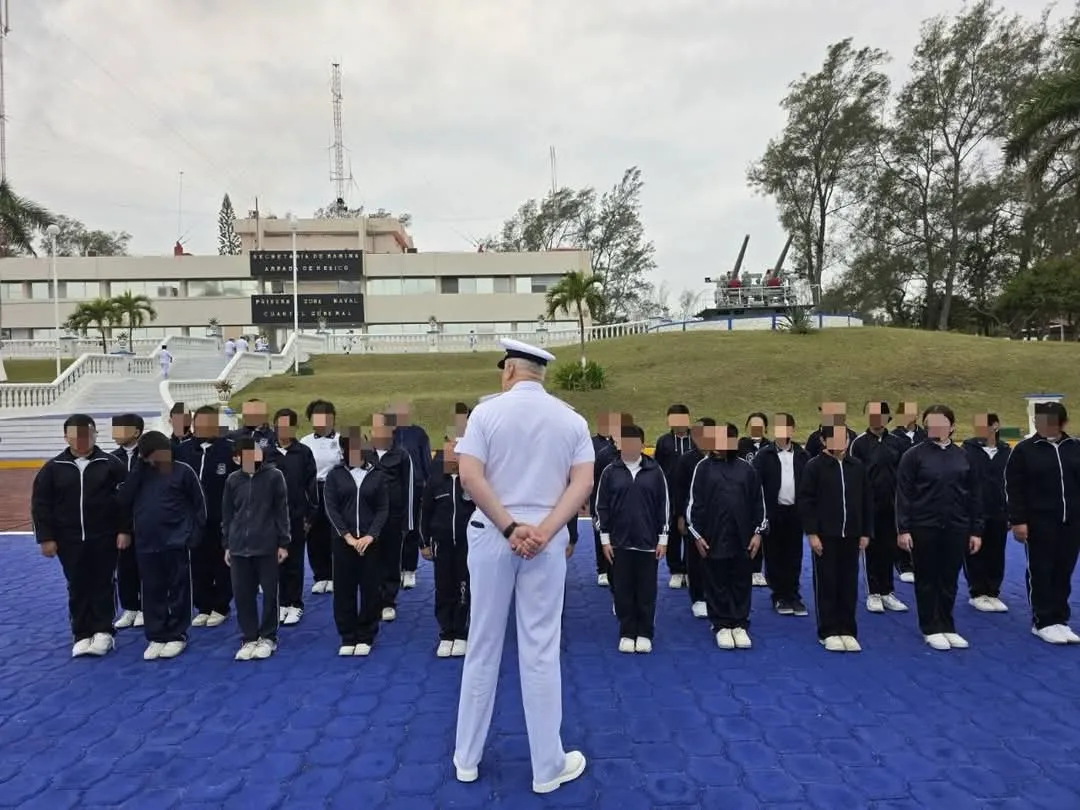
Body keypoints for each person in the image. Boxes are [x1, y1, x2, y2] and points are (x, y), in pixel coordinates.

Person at [453, 338, 593, 795]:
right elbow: (582, 484)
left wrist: (511, 528)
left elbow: (470, 476)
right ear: (541, 373)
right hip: (545, 543)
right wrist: (545, 531)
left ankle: (466, 758)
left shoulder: (485, 414)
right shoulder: (571, 419)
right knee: (539, 649)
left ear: (510, 371)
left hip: (494, 534)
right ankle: (546, 765)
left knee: (483, 645)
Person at [31, 414, 127, 657]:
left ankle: (104, 631)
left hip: (104, 537)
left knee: (103, 582)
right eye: (75, 435)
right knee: (77, 584)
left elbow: (126, 502)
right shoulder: (53, 468)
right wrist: (46, 538)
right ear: (66, 437)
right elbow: (41, 505)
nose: (82, 440)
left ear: (95, 434)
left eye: (87, 434)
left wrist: (125, 530)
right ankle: (82, 633)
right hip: (68, 539)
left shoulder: (111, 464)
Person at [896, 405, 983, 651]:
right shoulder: (913, 456)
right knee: (927, 578)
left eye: (941, 422)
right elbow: (903, 495)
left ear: (952, 426)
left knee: (949, 579)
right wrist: (903, 529)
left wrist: (976, 530)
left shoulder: (964, 456)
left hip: (956, 526)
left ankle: (947, 624)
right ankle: (930, 626)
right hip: (924, 526)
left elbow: (975, 495)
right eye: (930, 422)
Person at [118, 431, 207, 661]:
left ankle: (177, 634)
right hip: (146, 543)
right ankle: (156, 635)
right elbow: (124, 499)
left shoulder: (183, 471)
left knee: (178, 588)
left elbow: (200, 506)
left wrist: (193, 536)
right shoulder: (139, 474)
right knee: (151, 590)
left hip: (176, 542)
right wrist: (138, 467)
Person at [685, 423, 767, 651]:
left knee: (741, 582)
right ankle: (721, 624)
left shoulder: (747, 469)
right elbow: (694, 504)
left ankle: (739, 623)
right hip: (712, 537)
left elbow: (758, 504)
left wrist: (758, 533)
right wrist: (697, 536)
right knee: (716, 582)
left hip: (743, 538)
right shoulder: (703, 468)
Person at [1004, 401, 1080, 644]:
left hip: (1071, 522)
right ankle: (1042, 620)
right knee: (1040, 570)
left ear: (1063, 423)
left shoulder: (1075, 447)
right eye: (1039, 421)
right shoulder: (1025, 450)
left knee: (1063, 571)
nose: (1043, 426)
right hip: (1039, 522)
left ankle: (1060, 618)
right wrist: (1018, 521)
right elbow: (1013, 488)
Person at [595, 424, 669, 653]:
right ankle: (627, 631)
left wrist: (663, 538)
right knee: (623, 590)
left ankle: (645, 632)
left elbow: (663, 506)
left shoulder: (655, 471)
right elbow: (601, 507)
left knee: (646, 591)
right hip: (619, 544)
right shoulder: (610, 471)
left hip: (647, 544)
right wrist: (605, 539)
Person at [798, 424, 872, 652]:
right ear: (823, 440)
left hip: (851, 536)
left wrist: (866, 532)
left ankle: (847, 629)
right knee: (827, 583)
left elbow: (866, 501)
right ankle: (828, 630)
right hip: (825, 537)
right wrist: (812, 534)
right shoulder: (814, 467)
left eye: (845, 438)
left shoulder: (857, 467)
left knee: (849, 584)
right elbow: (806, 502)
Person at [222, 437, 291, 661]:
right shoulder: (232, 480)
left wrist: (283, 543)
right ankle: (249, 636)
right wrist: (227, 545)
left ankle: (268, 636)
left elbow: (282, 511)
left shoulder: (274, 476)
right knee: (243, 595)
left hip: (267, 546)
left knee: (270, 594)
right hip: (239, 548)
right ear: (236, 458)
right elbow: (227, 515)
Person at [323, 428, 391, 656]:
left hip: (370, 543)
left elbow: (383, 508)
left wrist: (371, 535)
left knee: (371, 589)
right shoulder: (335, 476)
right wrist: (348, 536)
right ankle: (348, 635)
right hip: (344, 543)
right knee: (344, 590)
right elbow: (331, 509)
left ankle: (366, 634)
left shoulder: (377, 475)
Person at [175, 406, 237, 628]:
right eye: (199, 423)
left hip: (221, 519)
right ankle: (203, 605)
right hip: (192, 520)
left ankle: (221, 606)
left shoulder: (230, 450)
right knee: (197, 564)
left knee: (221, 563)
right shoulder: (182, 451)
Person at [848, 402, 909, 615]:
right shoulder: (859, 444)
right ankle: (873, 592)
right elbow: (853, 476)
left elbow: (903, 474)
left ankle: (887, 591)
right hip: (869, 506)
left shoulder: (897, 443)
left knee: (890, 548)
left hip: (892, 505)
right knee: (871, 550)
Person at [420, 439, 476, 658]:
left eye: (455, 453)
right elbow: (424, 513)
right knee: (443, 588)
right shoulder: (435, 483)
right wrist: (424, 543)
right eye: (447, 452)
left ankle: (460, 633)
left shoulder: (471, 482)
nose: (450, 456)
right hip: (441, 546)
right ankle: (446, 633)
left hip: (466, 546)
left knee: (464, 587)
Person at [752, 413, 809, 616]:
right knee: (775, 556)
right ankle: (779, 595)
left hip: (795, 513)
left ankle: (793, 594)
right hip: (773, 513)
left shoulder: (803, 455)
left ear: (792, 430)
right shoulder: (764, 456)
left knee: (794, 555)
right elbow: (755, 486)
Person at [270, 408, 318, 625]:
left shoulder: (304, 453)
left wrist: (310, 516)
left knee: (295, 562)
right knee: (275, 562)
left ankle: (295, 604)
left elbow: (311, 485)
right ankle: (280, 603)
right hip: (271, 520)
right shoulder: (266, 453)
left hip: (297, 517)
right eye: (279, 425)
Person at [961, 413, 1011, 613]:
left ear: (995, 426)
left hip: (999, 511)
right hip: (974, 512)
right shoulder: (967, 451)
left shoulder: (1007, 452)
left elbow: (1013, 483)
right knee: (974, 552)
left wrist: (1011, 512)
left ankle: (992, 592)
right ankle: (977, 592)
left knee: (997, 552)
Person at [368, 412, 416, 621]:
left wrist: (408, 521)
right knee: (370, 559)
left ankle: (388, 601)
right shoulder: (362, 455)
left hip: (393, 517)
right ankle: (372, 599)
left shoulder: (402, 455)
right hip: (367, 519)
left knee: (390, 558)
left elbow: (409, 489)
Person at [670, 417, 716, 618]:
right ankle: (698, 598)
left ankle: (716, 594)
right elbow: (679, 490)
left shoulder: (722, 457)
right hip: (694, 519)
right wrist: (680, 516)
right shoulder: (687, 460)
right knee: (695, 559)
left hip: (719, 519)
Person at [301, 399, 343, 594]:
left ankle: (336, 574)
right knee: (315, 532)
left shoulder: (341, 440)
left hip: (334, 488)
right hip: (312, 488)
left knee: (334, 530)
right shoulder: (305, 441)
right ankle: (320, 575)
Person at [391, 401, 432, 590]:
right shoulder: (387, 433)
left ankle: (410, 570)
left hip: (415, 487)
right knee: (394, 530)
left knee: (412, 527)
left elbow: (425, 460)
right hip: (393, 488)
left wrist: (428, 484)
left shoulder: (418, 433)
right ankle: (396, 569)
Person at [653, 404, 694, 589]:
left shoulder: (697, 439)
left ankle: (690, 569)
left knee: (692, 532)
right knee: (673, 533)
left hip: (693, 494)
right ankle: (676, 570)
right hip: (670, 495)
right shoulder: (664, 441)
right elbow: (657, 468)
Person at [110, 413, 145, 630]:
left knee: (147, 568)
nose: (117, 434)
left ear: (137, 432)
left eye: (123, 429)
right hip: (121, 525)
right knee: (124, 568)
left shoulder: (150, 457)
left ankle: (146, 607)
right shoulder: (111, 460)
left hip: (146, 523)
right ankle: (130, 607)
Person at [891, 401, 925, 584]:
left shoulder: (925, 435)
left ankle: (920, 561)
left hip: (924, 488)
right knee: (902, 524)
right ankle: (904, 564)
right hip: (902, 487)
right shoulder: (894, 437)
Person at [739, 413, 771, 586]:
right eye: (752, 425)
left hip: (766, 496)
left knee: (762, 531)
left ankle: (759, 570)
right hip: (745, 495)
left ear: (765, 428)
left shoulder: (770, 446)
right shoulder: (740, 445)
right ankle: (745, 567)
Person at [589, 412, 619, 587]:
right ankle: (602, 570)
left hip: (620, 500)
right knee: (600, 532)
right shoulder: (593, 445)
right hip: (600, 498)